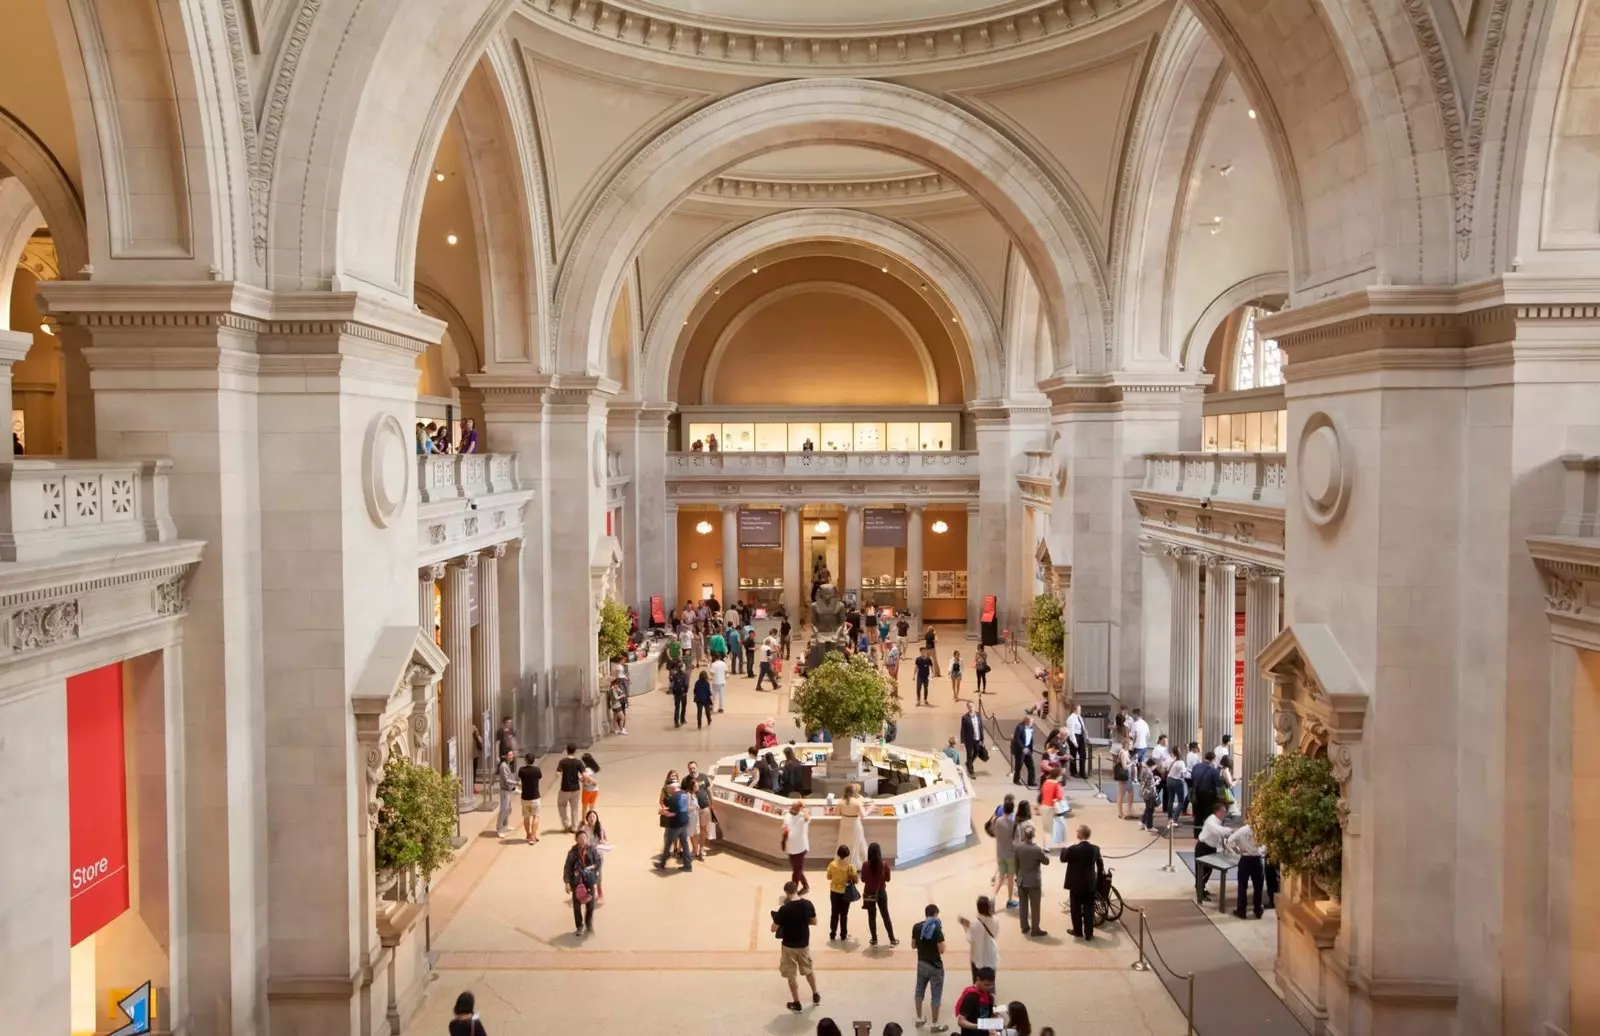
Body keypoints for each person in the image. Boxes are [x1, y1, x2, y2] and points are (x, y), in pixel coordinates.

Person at [772, 880, 822, 1013]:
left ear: (787, 893)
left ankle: (797, 1003)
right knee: (808, 969)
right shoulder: (807, 904)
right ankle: (815, 994)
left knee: (791, 975)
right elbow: (814, 921)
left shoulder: (784, 909)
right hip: (803, 943)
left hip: (789, 945)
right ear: (796, 890)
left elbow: (773, 928)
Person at [1061, 824, 1104, 940]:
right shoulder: (1095, 849)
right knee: (1089, 908)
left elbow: (1062, 858)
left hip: (1075, 884)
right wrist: (1098, 881)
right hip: (1090, 884)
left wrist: (1066, 847)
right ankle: (1089, 933)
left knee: (1075, 909)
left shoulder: (1073, 849)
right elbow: (1100, 866)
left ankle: (1078, 931)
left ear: (1079, 835)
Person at [912, 904, 949, 1032]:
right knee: (936, 996)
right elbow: (942, 949)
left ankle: (919, 1018)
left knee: (919, 991)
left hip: (921, 963)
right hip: (935, 967)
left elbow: (913, 945)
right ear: (936, 914)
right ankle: (935, 1024)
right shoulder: (937, 929)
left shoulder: (916, 927)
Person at [1013, 823, 1050, 937]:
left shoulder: (1018, 848)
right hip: (1034, 882)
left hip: (1021, 880)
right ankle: (1035, 929)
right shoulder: (1037, 849)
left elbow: (1016, 865)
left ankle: (1024, 927)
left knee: (1023, 905)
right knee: (1035, 907)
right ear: (1033, 835)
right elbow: (1046, 862)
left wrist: (1018, 876)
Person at [1227, 822, 1268, 918]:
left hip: (1245, 859)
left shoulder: (1242, 830)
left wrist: (1237, 850)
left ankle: (1242, 911)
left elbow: (1230, 841)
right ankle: (1258, 911)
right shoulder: (1261, 829)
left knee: (1242, 886)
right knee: (1258, 887)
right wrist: (1262, 852)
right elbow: (1267, 843)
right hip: (1257, 859)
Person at [861, 841, 898, 946]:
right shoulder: (884, 864)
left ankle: (874, 939)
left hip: (869, 894)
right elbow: (888, 879)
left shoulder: (865, 865)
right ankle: (892, 939)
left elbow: (863, 879)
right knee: (885, 915)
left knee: (871, 917)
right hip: (881, 892)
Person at [563, 830, 599, 935]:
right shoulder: (573, 852)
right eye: (580, 838)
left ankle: (589, 923)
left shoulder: (592, 850)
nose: (582, 839)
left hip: (589, 881)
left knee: (590, 906)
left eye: (584, 837)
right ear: (576, 839)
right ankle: (579, 926)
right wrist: (567, 883)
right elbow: (567, 867)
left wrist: (589, 868)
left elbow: (598, 863)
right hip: (577, 882)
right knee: (577, 906)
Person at [957, 905, 999, 992]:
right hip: (991, 957)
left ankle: (979, 998)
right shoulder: (995, 920)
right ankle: (991, 997)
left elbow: (969, 938)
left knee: (978, 984)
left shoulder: (975, 923)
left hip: (978, 959)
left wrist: (965, 926)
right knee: (990, 983)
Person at [657, 775, 693, 871]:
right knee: (685, 845)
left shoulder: (673, 798)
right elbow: (681, 808)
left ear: (672, 788)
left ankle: (661, 865)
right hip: (684, 823)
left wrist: (662, 812)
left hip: (675, 825)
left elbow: (672, 814)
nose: (668, 791)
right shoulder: (684, 794)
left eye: (668, 788)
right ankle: (688, 866)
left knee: (668, 844)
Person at [1195, 803, 1230, 902]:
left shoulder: (1219, 820)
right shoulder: (1211, 820)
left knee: (1208, 871)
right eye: (1223, 811)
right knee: (1201, 871)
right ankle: (1200, 893)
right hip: (1203, 847)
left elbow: (1220, 836)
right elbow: (1219, 831)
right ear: (1217, 811)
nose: (1225, 813)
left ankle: (1202, 887)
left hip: (1211, 848)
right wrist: (1232, 831)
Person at [826, 845, 858, 941]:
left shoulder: (832, 865)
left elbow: (829, 877)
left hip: (834, 891)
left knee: (834, 912)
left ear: (838, 854)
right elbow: (856, 880)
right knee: (844, 914)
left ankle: (832, 933)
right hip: (845, 892)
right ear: (847, 855)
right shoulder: (851, 867)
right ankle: (843, 934)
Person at [990, 796, 1018, 909]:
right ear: (1012, 810)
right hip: (1010, 855)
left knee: (1001, 877)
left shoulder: (997, 821)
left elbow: (994, 832)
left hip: (1000, 853)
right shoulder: (1013, 824)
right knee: (1010, 877)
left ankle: (992, 897)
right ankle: (1010, 900)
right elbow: (1016, 840)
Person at [781, 799, 812, 893]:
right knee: (796, 869)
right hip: (790, 847)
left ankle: (792, 892)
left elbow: (807, 818)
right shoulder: (787, 815)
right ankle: (806, 886)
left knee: (796, 871)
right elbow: (786, 827)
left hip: (800, 848)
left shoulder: (803, 816)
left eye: (794, 808)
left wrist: (803, 808)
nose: (792, 809)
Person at [1191, 751, 1223, 837]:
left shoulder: (1196, 767)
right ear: (1213, 760)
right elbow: (1218, 784)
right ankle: (1208, 833)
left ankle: (1197, 833)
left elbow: (1192, 777)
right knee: (1208, 815)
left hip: (1197, 794)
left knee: (1198, 815)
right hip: (1208, 795)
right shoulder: (1213, 770)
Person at [580, 809, 608, 901]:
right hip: (588, 856)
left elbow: (605, 840)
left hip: (598, 855)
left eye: (594, 816)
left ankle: (599, 889)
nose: (592, 818)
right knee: (588, 874)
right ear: (587, 818)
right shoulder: (584, 829)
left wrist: (603, 842)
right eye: (590, 816)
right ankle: (589, 891)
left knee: (599, 873)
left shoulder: (600, 827)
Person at [555, 744, 584, 831]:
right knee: (574, 808)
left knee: (561, 805)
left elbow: (557, 774)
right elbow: (584, 774)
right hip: (575, 788)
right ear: (575, 751)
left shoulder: (562, 762)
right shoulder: (578, 762)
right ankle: (575, 826)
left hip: (565, 788)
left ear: (566, 750)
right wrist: (580, 779)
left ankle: (566, 824)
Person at [1039, 769, 1069, 849]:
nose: (1062, 777)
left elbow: (1042, 794)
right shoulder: (1057, 785)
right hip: (1053, 808)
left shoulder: (1046, 782)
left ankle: (1046, 847)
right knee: (1063, 826)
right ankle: (1064, 844)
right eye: (1061, 776)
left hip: (1044, 806)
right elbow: (1059, 797)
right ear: (1057, 776)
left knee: (1046, 829)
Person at [839, 783, 869, 865]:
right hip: (855, 824)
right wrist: (870, 809)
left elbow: (837, 813)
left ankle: (844, 862)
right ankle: (857, 863)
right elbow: (863, 816)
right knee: (857, 843)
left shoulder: (840, 802)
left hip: (844, 824)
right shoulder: (857, 803)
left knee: (844, 842)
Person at [516, 752, 542, 843]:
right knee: (536, 817)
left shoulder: (521, 770)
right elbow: (539, 777)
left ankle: (528, 834)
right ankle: (533, 837)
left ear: (525, 760)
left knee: (526, 817)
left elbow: (519, 779)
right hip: (535, 797)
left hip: (524, 797)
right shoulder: (537, 770)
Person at [1011, 716, 1038, 788]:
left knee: (1031, 765)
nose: (1033, 723)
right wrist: (1023, 748)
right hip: (1020, 750)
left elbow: (1030, 739)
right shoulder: (1020, 727)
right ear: (1027, 722)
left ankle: (1031, 781)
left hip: (1028, 749)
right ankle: (1016, 780)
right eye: (1032, 722)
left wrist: (1030, 747)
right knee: (1019, 766)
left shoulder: (1031, 728)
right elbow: (1017, 739)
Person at [495, 750, 517, 836]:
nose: (512, 756)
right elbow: (506, 780)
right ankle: (499, 828)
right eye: (510, 755)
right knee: (504, 810)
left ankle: (505, 825)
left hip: (508, 790)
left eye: (512, 754)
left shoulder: (507, 765)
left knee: (508, 809)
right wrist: (516, 783)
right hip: (504, 791)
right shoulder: (503, 766)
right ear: (505, 756)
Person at [960, 702, 985, 777]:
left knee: (976, 752)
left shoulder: (978, 715)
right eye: (969, 707)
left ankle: (968, 763)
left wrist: (982, 739)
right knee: (969, 755)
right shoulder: (965, 717)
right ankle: (971, 771)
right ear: (967, 708)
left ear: (974, 706)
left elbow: (981, 727)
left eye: (972, 706)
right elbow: (963, 729)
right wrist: (962, 741)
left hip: (978, 738)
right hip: (969, 740)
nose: (971, 708)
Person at [1111, 739, 1134, 819]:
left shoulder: (1126, 752)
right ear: (1126, 744)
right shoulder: (1123, 753)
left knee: (1130, 792)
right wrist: (1132, 763)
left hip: (1128, 776)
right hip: (1124, 775)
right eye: (1130, 744)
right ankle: (1120, 812)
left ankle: (1129, 810)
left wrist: (1132, 761)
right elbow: (1124, 766)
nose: (1132, 745)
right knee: (1121, 794)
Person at [1065, 705, 1086, 779]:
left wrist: (1086, 735)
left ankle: (1082, 772)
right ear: (1075, 710)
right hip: (1074, 737)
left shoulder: (1079, 717)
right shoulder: (1071, 718)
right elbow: (1071, 732)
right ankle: (1073, 771)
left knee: (1083, 754)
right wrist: (1074, 742)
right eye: (1079, 710)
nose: (1080, 711)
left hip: (1080, 736)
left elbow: (1083, 727)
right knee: (1073, 754)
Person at [669, 663, 689, 728]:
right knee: (683, 706)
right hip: (683, 694)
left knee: (677, 707)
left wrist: (673, 692)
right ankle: (682, 719)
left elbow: (672, 682)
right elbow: (686, 684)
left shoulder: (675, 674)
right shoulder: (685, 674)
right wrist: (686, 691)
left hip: (676, 694)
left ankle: (676, 721)